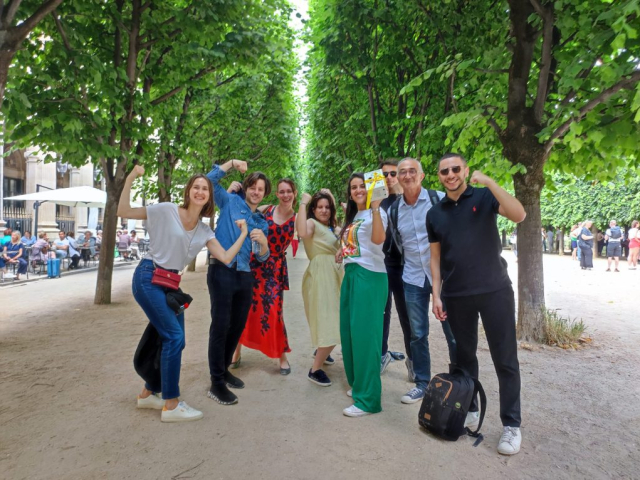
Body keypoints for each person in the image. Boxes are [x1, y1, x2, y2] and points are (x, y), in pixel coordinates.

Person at [118, 165, 248, 423]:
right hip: (148, 277)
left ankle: (147, 393)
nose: (200, 191)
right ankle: (171, 404)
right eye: (196, 187)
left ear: (209, 197)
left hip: (170, 284)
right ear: (188, 192)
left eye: (205, 189)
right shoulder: (166, 210)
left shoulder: (204, 231)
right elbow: (123, 211)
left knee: (173, 339)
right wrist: (131, 176)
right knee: (174, 337)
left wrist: (244, 233)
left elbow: (224, 257)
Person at [427, 153, 526, 456]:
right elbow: (435, 257)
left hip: (495, 290)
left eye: (456, 169)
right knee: (463, 359)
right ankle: (468, 407)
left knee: (504, 359)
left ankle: (511, 424)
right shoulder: (435, 213)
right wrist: (436, 292)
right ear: (439, 176)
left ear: (466, 170)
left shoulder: (484, 197)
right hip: (457, 295)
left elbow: (519, 214)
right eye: (445, 171)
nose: (451, 174)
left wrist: (490, 182)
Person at [389, 158, 457, 405]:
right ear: (397, 178)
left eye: (412, 171)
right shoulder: (394, 210)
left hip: (445, 278)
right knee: (417, 334)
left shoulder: (440, 199)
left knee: (453, 333)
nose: (407, 175)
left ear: (422, 175)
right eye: (402, 172)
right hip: (413, 278)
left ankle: (459, 382)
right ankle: (421, 383)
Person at [206, 159, 270, 406]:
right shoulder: (230, 200)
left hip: (245, 275)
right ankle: (216, 382)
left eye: (261, 189)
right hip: (221, 270)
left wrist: (263, 244)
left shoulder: (261, 222)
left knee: (236, 326)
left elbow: (261, 256)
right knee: (220, 326)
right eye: (253, 186)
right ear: (246, 186)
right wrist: (230, 164)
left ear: (265, 193)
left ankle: (223, 370)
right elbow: (207, 183)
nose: (256, 191)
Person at [232, 178, 297, 375]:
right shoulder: (266, 209)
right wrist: (235, 191)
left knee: (274, 311)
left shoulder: (297, 218)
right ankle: (236, 352)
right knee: (243, 307)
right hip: (254, 263)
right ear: (276, 194)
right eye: (281, 191)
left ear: (294, 193)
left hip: (275, 269)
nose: (285, 195)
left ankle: (282, 356)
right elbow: (243, 210)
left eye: (289, 191)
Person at [339, 173, 388, 417]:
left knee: (366, 337)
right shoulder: (354, 216)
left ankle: (368, 400)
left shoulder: (376, 213)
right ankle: (359, 385)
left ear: (370, 190)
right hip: (352, 274)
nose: (358, 190)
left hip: (370, 277)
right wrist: (344, 253)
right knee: (350, 333)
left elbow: (378, 240)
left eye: (362, 186)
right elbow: (356, 244)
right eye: (354, 187)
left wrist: (377, 208)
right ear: (350, 193)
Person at [297, 189, 343, 387]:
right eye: (320, 207)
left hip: (333, 275)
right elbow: (301, 232)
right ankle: (315, 370)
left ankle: (322, 354)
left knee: (333, 316)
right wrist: (303, 203)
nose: (324, 210)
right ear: (313, 210)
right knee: (331, 321)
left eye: (327, 207)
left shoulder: (332, 227)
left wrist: (331, 198)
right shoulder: (311, 223)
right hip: (321, 275)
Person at [379, 159, 412, 378]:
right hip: (380, 264)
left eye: (393, 173)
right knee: (381, 313)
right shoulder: (376, 201)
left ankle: (414, 360)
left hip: (403, 265)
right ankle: (381, 354)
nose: (390, 178)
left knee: (406, 314)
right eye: (385, 174)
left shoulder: (409, 201)